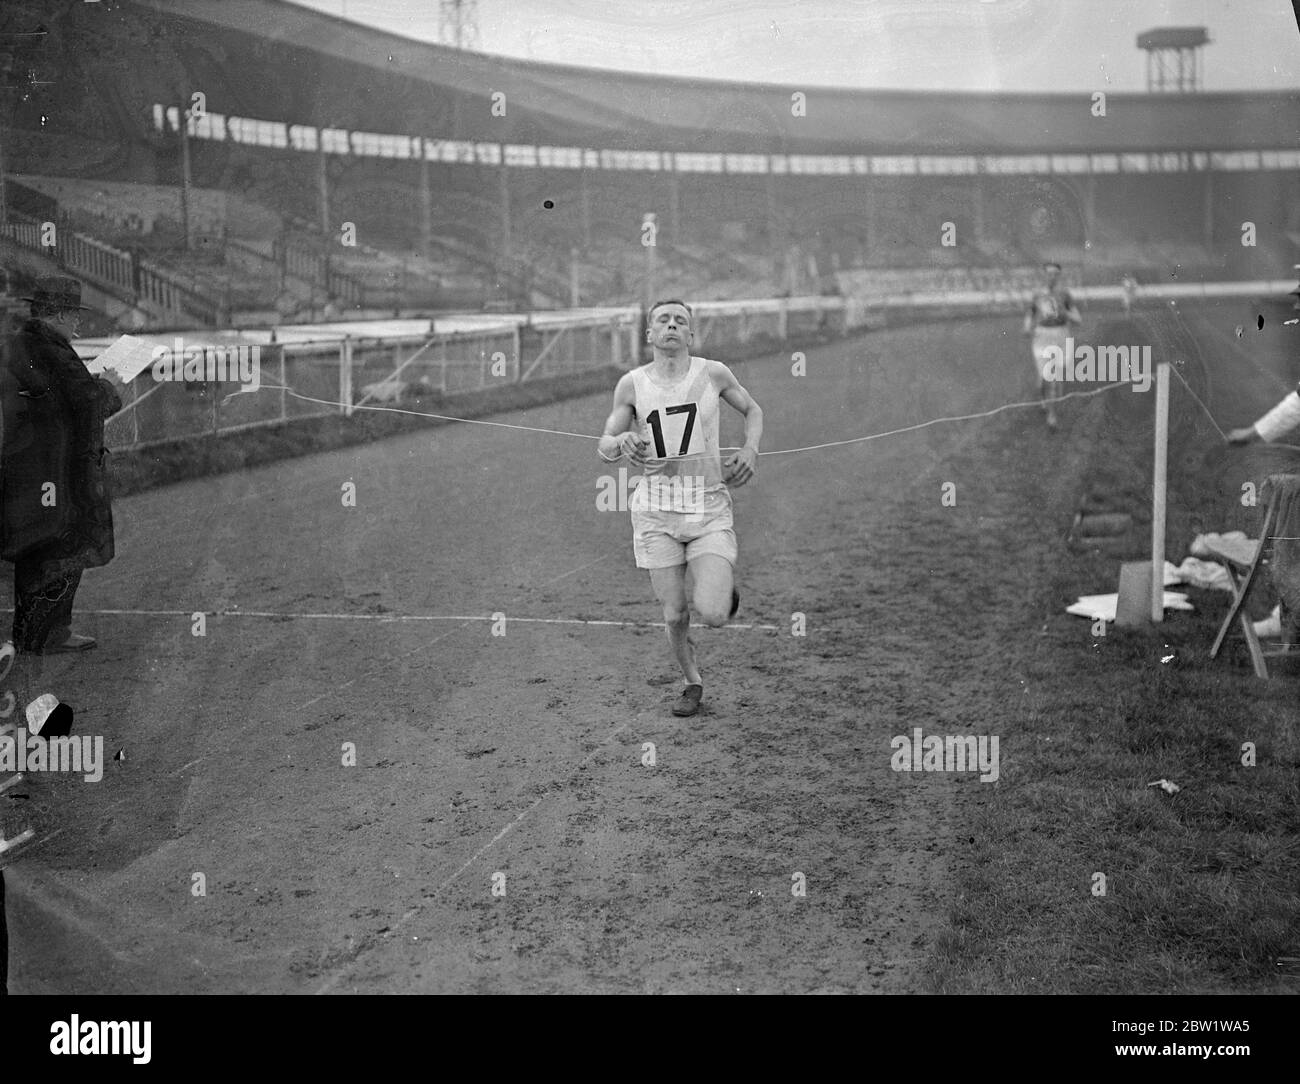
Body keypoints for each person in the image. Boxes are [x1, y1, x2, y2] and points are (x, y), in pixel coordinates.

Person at [597, 299, 763, 717]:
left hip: (707, 507)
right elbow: (604, 446)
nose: (672, 325)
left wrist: (750, 449)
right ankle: (692, 682)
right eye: (662, 320)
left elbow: (752, 409)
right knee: (674, 615)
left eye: (681, 321)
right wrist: (623, 444)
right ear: (649, 334)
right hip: (656, 513)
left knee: (713, 616)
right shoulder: (631, 385)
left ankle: (718, 593)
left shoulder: (714, 373)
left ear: (691, 334)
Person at [0, 276, 124, 656]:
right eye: (73, 315)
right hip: (58, 470)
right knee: (64, 545)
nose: (77, 325)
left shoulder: (22, 343)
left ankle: (30, 632)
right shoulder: (53, 348)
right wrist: (110, 386)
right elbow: (87, 403)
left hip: (30, 466)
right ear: (57, 313)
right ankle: (51, 632)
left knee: (36, 548)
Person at [1022, 261, 1082, 430]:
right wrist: (1027, 327)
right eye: (1049, 273)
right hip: (1042, 336)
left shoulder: (1065, 295)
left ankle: (1052, 415)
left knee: (1053, 377)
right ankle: (1043, 400)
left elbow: (1078, 319)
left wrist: (1066, 313)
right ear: (1043, 275)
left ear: (1059, 276)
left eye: (1055, 273)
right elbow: (1030, 314)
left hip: (1060, 335)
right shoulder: (1037, 295)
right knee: (1042, 381)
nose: (1052, 276)